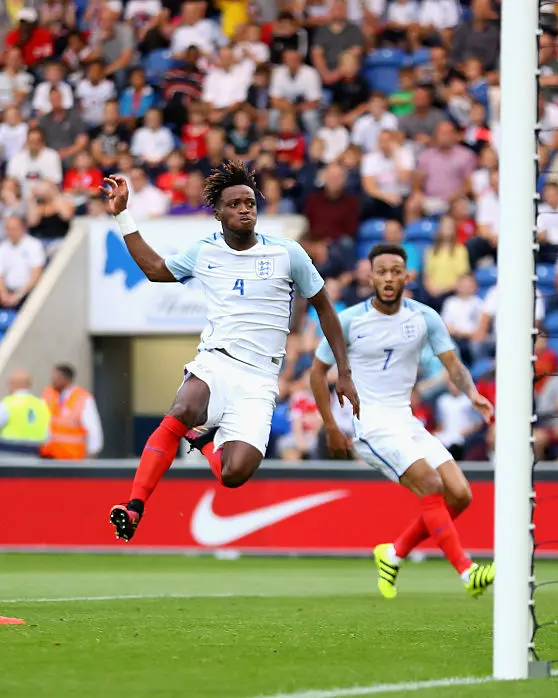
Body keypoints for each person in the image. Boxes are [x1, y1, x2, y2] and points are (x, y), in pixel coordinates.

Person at [102, 161, 359, 542]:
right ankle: (134, 505)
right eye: (235, 204)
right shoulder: (205, 251)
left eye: (250, 203)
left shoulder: (288, 254)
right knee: (182, 409)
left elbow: (324, 307)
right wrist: (123, 216)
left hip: (260, 379)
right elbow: (156, 269)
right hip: (216, 360)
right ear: (219, 213)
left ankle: (204, 440)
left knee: (233, 474)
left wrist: (345, 371)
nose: (244, 209)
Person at [309, 242, 496, 599]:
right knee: (430, 482)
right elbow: (317, 374)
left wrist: (472, 394)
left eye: (396, 271)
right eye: (382, 272)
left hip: (406, 421)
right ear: (371, 276)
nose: (389, 278)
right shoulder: (348, 320)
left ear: (407, 276)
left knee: (460, 495)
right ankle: (467, 572)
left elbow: (453, 365)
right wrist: (332, 426)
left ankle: (392, 554)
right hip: (371, 425)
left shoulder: (424, 317)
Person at [40, 364, 102, 459]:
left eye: (55, 377)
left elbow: (93, 428)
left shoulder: (83, 398)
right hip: (49, 456)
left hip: (72, 458)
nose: (52, 380)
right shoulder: (48, 395)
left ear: (65, 379)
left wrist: (93, 451)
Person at [0, 369, 50, 453]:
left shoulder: (7, 404)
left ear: (13, 384)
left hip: (9, 452)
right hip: (35, 453)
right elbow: (48, 434)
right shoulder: (42, 405)